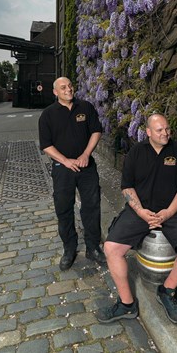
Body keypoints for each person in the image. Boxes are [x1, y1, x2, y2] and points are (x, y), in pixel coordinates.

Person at [97, 113, 177, 325]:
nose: (165, 133)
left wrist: (168, 213)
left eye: (167, 129)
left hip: (173, 210)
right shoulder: (136, 153)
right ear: (147, 132)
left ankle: (167, 290)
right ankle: (127, 304)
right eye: (159, 130)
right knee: (111, 248)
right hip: (141, 210)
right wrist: (140, 212)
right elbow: (127, 187)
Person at [38, 77, 106, 270]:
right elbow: (46, 146)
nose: (68, 89)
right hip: (62, 169)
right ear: (55, 92)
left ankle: (93, 248)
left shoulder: (85, 107)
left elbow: (96, 131)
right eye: (63, 87)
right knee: (64, 208)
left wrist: (86, 154)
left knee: (92, 206)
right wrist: (66, 161)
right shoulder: (48, 115)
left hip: (86, 167)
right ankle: (69, 249)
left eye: (69, 85)